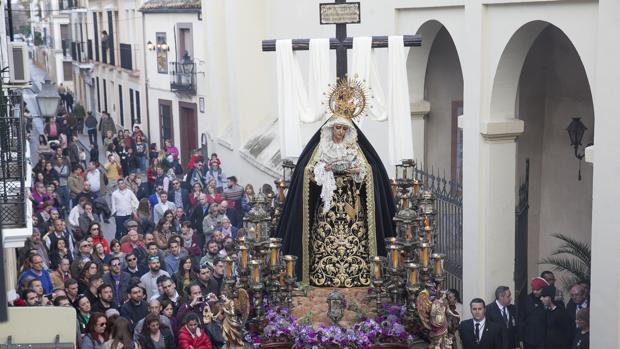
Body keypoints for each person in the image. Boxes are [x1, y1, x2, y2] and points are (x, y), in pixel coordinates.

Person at [277, 82, 396, 286]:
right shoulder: (322, 147)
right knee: (323, 241)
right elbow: (307, 172)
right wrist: (323, 171)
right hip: (327, 207)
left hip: (352, 208)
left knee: (355, 242)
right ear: (330, 128)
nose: (339, 132)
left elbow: (371, 169)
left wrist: (358, 171)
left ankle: (359, 275)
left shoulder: (356, 148)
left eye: (343, 128)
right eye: (336, 128)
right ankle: (321, 275)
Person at [519, 277, 549, 349]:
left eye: (538, 290)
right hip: (528, 339)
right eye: (533, 289)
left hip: (545, 340)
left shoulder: (548, 299)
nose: (535, 292)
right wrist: (520, 338)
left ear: (543, 289)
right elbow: (521, 319)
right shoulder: (526, 300)